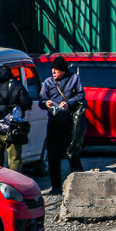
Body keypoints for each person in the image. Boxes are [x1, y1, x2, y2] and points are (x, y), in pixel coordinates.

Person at [38, 56, 85, 195]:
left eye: (56, 70)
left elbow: (81, 95)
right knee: (53, 156)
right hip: (53, 123)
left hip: (70, 123)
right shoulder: (47, 83)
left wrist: (69, 102)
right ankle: (56, 188)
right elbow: (41, 101)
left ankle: (80, 186)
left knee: (72, 154)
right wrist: (45, 103)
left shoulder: (74, 78)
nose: (53, 72)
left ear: (63, 70)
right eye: (52, 70)